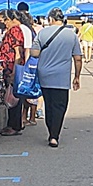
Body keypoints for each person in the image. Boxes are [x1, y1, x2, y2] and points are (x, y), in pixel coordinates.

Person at [30, 8, 83, 148]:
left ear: (51, 19)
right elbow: (78, 58)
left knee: (49, 104)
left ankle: (51, 132)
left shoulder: (42, 33)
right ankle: (54, 135)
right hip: (62, 76)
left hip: (44, 74)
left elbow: (34, 53)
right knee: (60, 106)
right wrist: (77, 76)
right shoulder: (72, 35)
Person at [0, 10, 27, 136]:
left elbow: (18, 53)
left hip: (12, 69)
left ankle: (15, 126)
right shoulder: (10, 31)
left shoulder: (15, 31)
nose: (1, 24)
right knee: (10, 97)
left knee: (14, 98)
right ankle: (11, 124)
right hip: (8, 68)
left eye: (1, 21)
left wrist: (14, 73)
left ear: (9, 19)